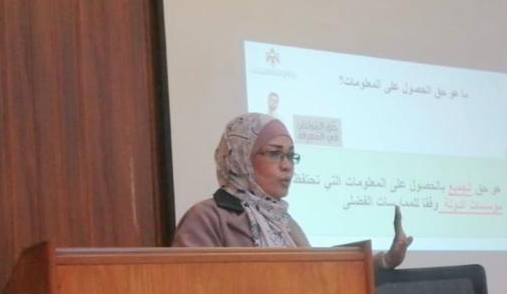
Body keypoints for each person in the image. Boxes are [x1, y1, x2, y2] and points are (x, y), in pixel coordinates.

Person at [172, 113, 412, 269]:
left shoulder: (283, 223)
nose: (287, 165)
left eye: (290, 155)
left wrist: (384, 260)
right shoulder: (207, 217)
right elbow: (189, 288)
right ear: (241, 158)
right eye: (274, 153)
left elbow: (319, 271)